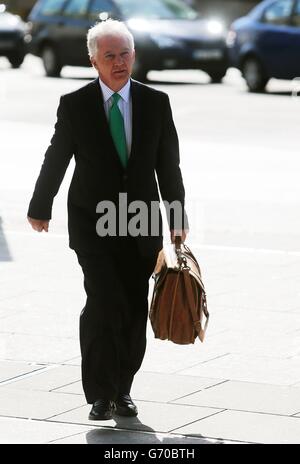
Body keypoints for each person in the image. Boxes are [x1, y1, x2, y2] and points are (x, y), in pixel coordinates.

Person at [27, 20, 188, 421]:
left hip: (141, 221)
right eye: (110, 56)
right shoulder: (75, 104)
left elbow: (169, 165)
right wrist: (40, 206)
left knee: (133, 304)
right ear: (93, 61)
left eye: (125, 54)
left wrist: (177, 215)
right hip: (92, 221)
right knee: (103, 300)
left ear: (135, 55)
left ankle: (123, 389)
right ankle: (100, 392)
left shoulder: (155, 102)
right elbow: (57, 156)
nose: (119, 63)